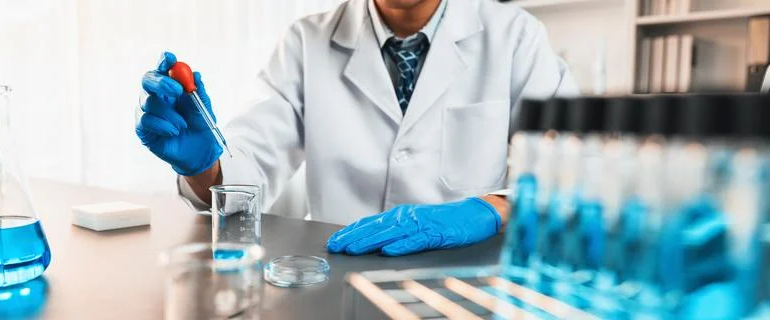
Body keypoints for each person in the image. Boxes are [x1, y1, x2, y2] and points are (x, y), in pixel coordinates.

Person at [137, 0, 578, 256]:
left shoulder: (516, 36)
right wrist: (203, 166)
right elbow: (245, 169)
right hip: (337, 273)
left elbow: (572, 173)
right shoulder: (306, 41)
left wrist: (492, 209)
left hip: (464, 278)